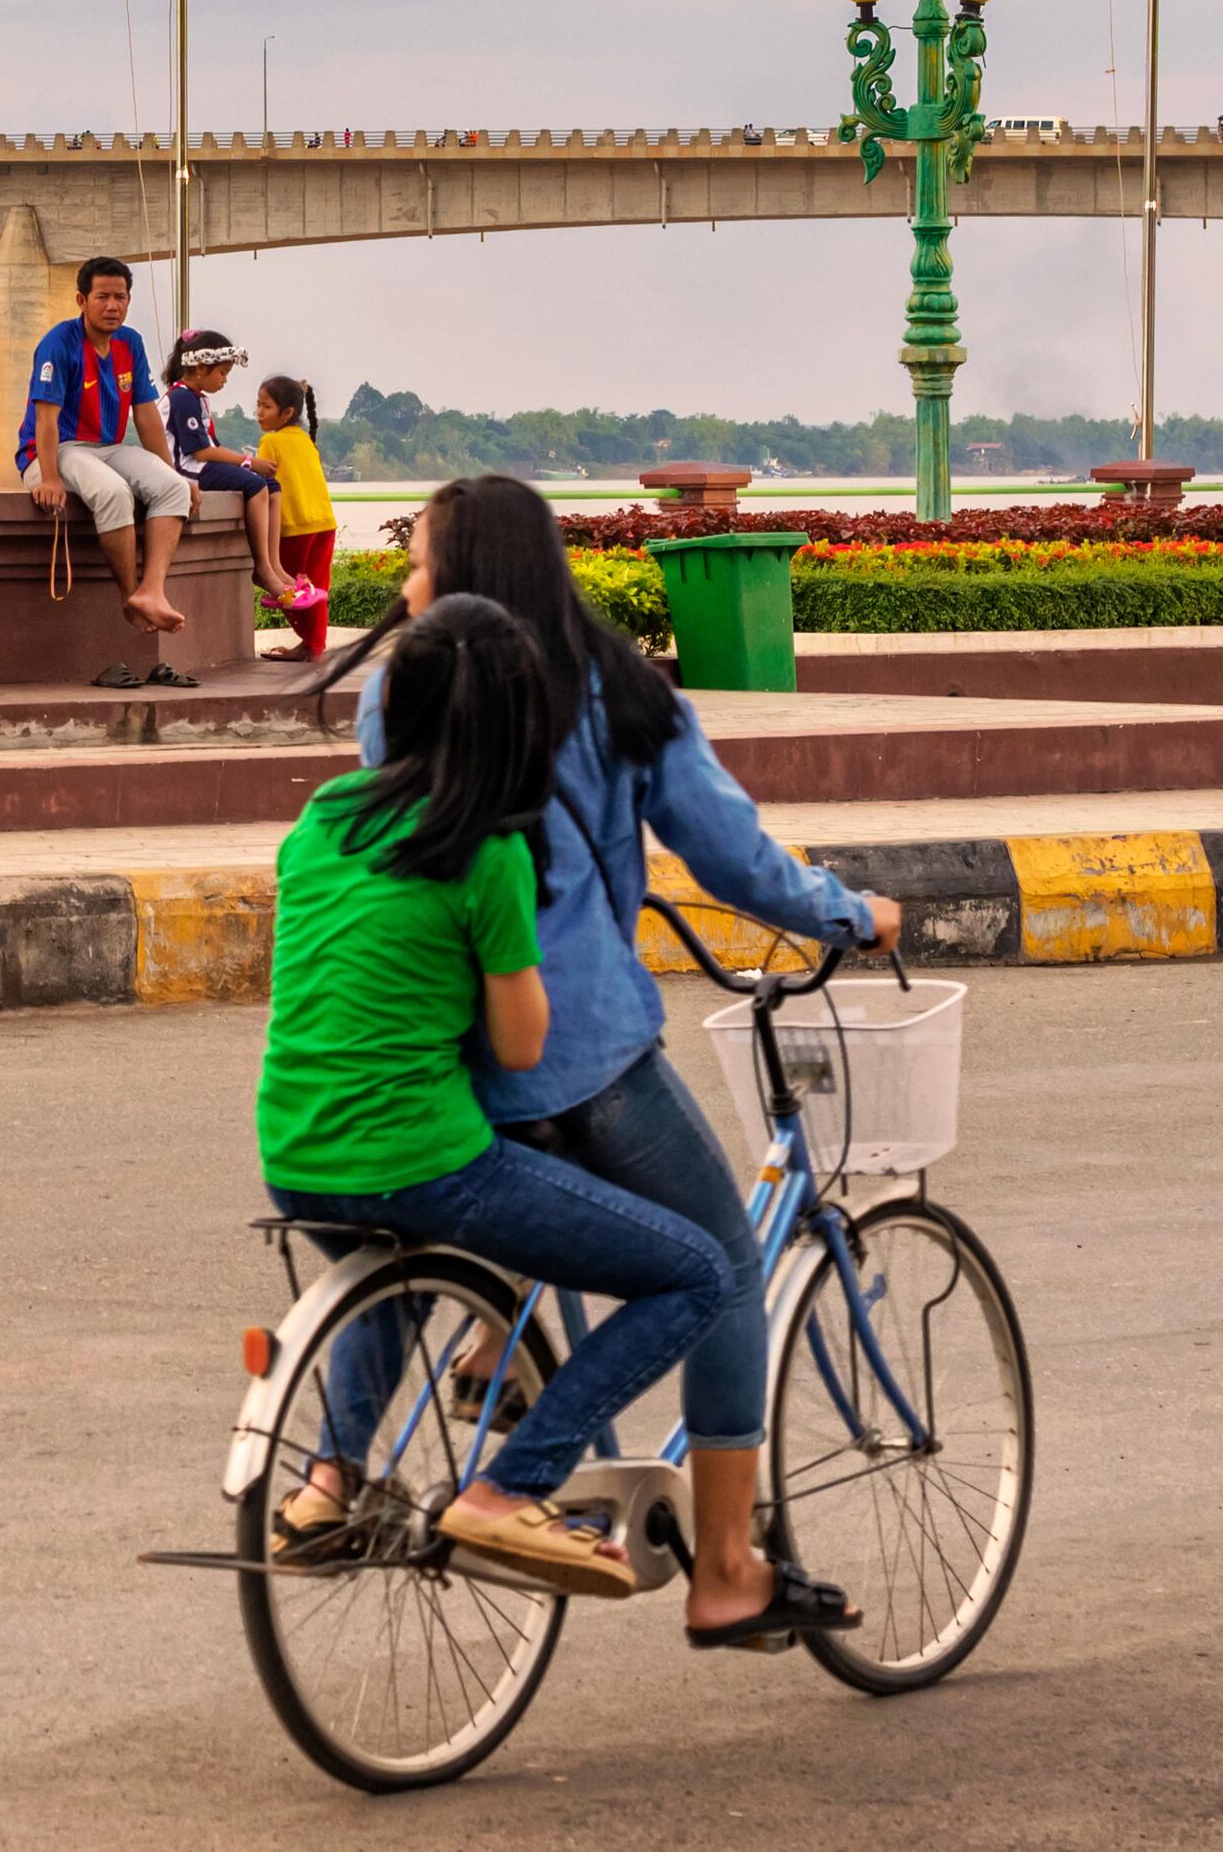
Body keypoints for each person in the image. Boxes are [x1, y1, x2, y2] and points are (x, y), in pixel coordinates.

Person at [355, 471, 900, 1649]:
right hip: (584, 1055)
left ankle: (481, 1361)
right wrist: (847, 913)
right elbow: (732, 858)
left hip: (450, 1049)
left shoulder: (391, 692)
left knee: (460, 1207)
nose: (403, 583)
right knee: (714, 1267)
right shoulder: (615, 691)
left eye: (417, 563)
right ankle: (723, 1568)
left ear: (457, 583)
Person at [257, 595, 740, 1604]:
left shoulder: (318, 820)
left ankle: (320, 1485)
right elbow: (520, 1046)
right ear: (517, 726)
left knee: (400, 1272)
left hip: (296, 1152)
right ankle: (510, 1487)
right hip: (421, 1161)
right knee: (694, 1274)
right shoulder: (486, 853)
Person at [17, 255, 192, 646]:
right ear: (81, 300)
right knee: (113, 493)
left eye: (121, 297)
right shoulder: (58, 344)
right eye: (102, 297)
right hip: (53, 449)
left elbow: (146, 415)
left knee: (173, 488)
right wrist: (49, 478)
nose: (112, 306)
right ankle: (130, 595)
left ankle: (152, 590)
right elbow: (45, 419)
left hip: (107, 447)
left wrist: (172, 471)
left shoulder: (130, 343)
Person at [163, 331, 326, 643]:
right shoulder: (181, 397)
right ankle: (263, 569)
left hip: (200, 464)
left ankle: (275, 566)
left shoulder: (198, 399)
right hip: (187, 469)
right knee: (255, 485)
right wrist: (247, 462)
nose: (225, 380)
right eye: (223, 373)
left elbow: (211, 446)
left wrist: (245, 465)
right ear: (200, 369)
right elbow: (199, 452)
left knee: (270, 484)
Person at [255, 375, 341, 664]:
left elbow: (261, 484)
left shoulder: (270, 442)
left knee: (286, 587)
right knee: (316, 588)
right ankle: (314, 645)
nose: (259, 413)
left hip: (293, 527)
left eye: (266, 406)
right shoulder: (304, 439)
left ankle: (310, 646)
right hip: (323, 522)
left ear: (287, 412)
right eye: (258, 406)